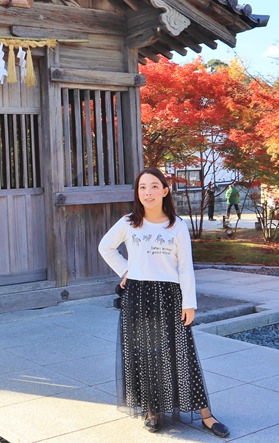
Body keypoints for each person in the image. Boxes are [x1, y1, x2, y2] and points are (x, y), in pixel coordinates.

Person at [98, 168, 230, 438]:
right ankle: (152, 410)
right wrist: (125, 270)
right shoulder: (128, 222)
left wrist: (189, 303)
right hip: (138, 295)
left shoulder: (176, 225)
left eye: (154, 186)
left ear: (165, 191)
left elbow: (185, 267)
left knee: (181, 353)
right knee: (144, 354)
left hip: (171, 296)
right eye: (142, 187)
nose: (147, 192)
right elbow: (105, 247)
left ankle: (206, 414)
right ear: (137, 192)